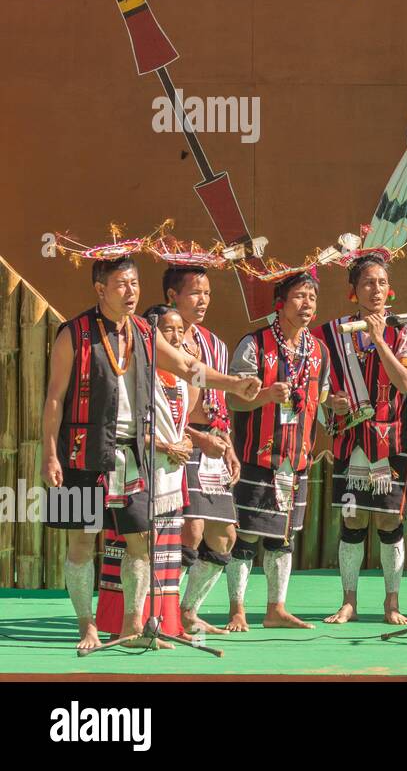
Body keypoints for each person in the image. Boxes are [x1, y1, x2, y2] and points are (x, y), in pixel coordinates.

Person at [41, 226, 258, 650]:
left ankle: (131, 628)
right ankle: (86, 625)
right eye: (122, 284)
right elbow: (53, 399)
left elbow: (184, 365)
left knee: (141, 541)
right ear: (100, 288)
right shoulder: (73, 332)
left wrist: (232, 383)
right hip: (81, 454)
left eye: (136, 283)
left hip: (134, 456)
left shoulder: (144, 330)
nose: (131, 292)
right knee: (82, 541)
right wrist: (50, 454)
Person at [316, 232, 407, 626]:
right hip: (350, 441)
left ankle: (391, 603)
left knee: (390, 520)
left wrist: (379, 340)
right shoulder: (332, 335)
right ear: (353, 291)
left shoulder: (404, 330)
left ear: (389, 288)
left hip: (390, 440)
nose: (375, 289)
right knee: (352, 519)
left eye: (381, 282)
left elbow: (406, 384)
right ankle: (349, 601)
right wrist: (328, 400)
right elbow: (312, 378)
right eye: (367, 283)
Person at [146, 235, 245, 636]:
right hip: (178, 440)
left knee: (225, 537)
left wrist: (229, 448)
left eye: (207, 293)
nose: (202, 300)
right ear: (172, 295)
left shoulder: (214, 344)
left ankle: (187, 609)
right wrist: (196, 438)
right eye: (194, 293)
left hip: (212, 444)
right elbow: (157, 405)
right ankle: (165, 614)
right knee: (192, 529)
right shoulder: (160, 341)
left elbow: (219, 401)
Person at [226, 258, 332, 630]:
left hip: (296, 459)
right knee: (246, 534)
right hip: (258, 455)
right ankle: (237, 609)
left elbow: (322, 398)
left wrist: (335, 405)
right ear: (280, 302)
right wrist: (266, 395)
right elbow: (235, 399)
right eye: (300, 297)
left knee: (283, 537)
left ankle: (276, 609)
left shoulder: (318, 350)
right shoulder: (254, 344)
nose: (307, 304)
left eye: (312, 298)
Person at [94, 304, 193, 641]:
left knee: (162, 555)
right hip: (137, 471)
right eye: (168, 330)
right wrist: (168, 447)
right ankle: (119, 626)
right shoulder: (136, 370)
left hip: (170, 477)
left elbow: (183, 421)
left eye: (181, 330)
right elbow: (128, 427)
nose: (176, 337)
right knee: (126, 549)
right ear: (151, 336)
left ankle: (158, 626)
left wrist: (189, 442)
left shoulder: (179, 377)